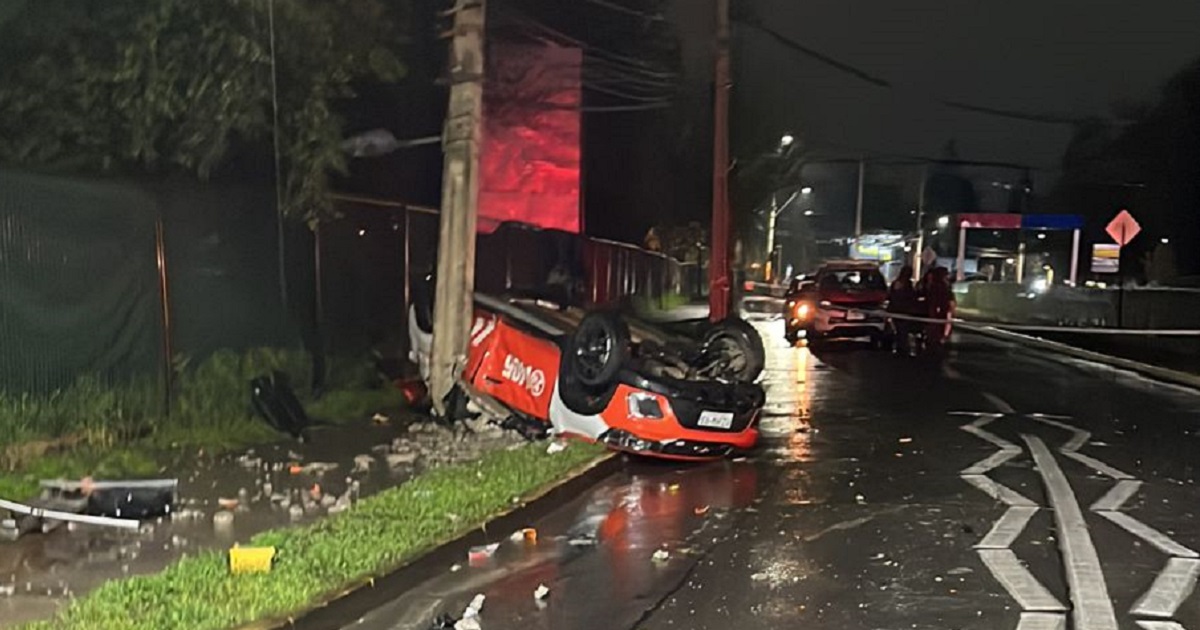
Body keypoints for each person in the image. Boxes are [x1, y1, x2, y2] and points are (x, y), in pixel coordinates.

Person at [887, 266, 919, 354]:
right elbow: (911, 297)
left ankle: (899, 346)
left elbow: (890, 296)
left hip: (895, 310)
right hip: (904, 311)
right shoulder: (907, 284)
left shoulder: (895, 283)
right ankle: (902, 348)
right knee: (902, 330)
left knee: (899, 330)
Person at [923, 266, 956, 352]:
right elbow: (947, 298)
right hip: (941, 310)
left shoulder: (933, 286)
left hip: (938, 310)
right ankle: (939, 342)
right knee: (941, 327)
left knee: (938, 327)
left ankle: (936, 341)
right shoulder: (942, 286)